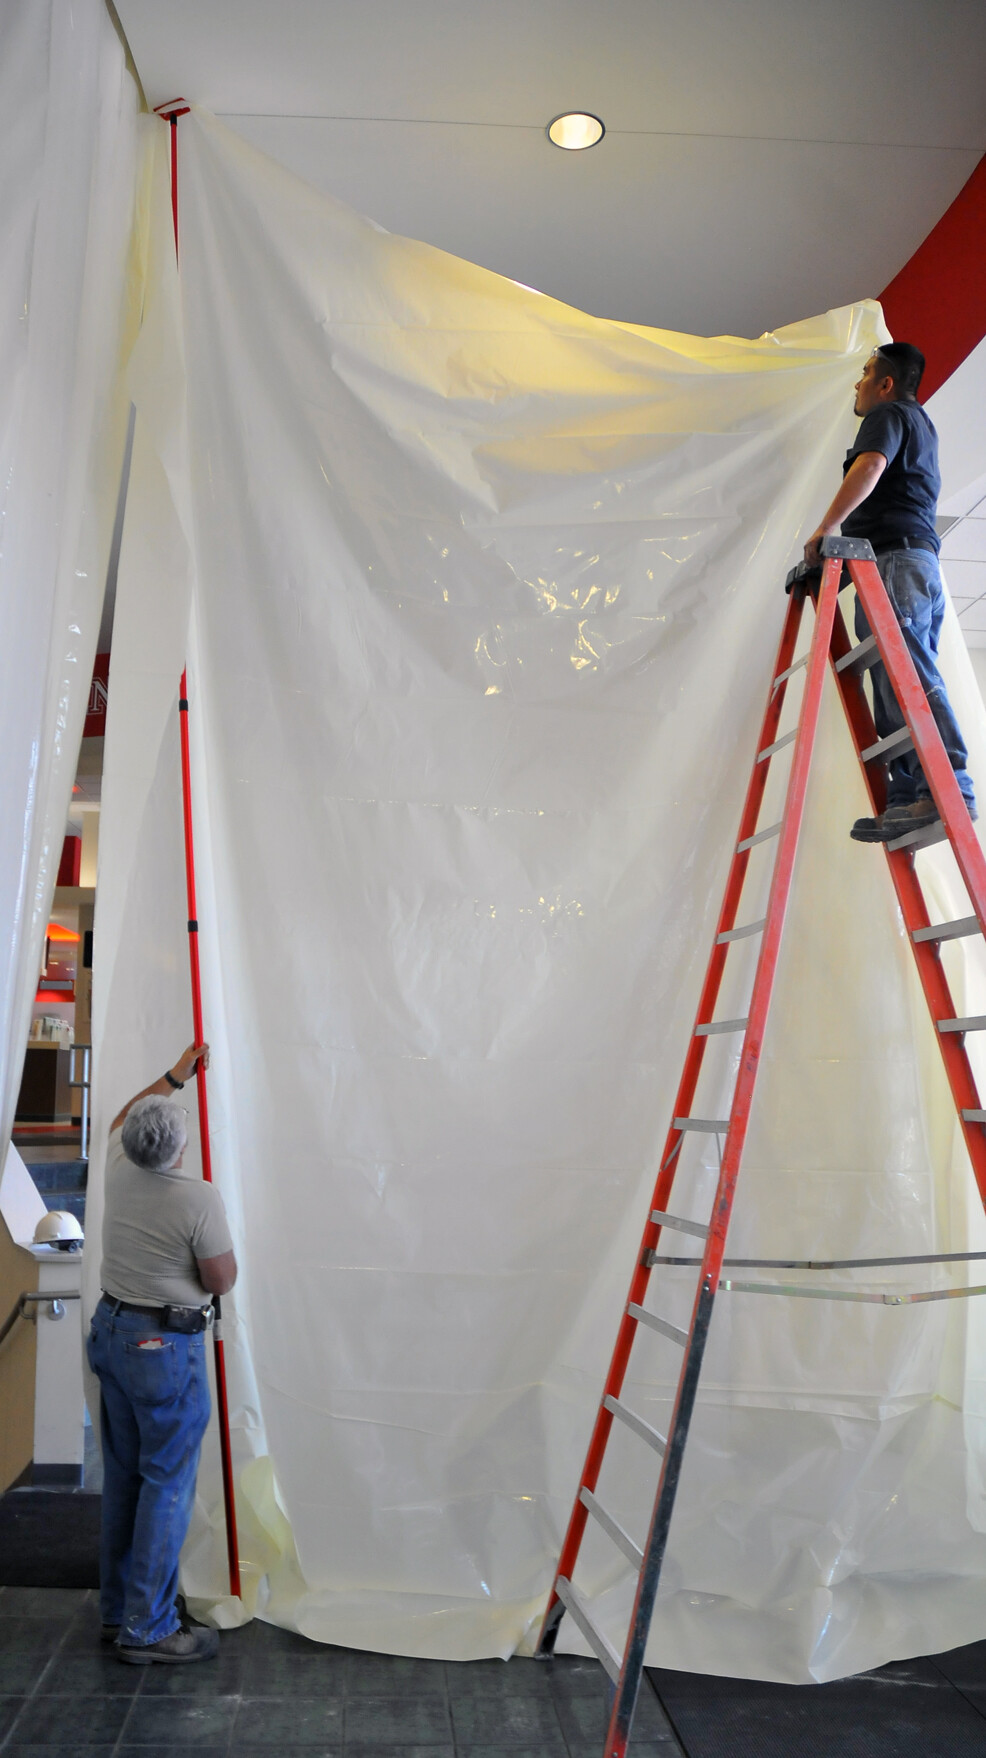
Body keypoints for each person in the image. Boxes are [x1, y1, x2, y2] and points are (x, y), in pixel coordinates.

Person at [86, 1042, 236, 1665]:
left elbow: (124, 1117)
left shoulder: (118, 1166)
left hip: (112, 1333)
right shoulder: (196, 1198)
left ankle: (121, 1610)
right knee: (167, 1484)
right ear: (178, 1149)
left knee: (125, 1477)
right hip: (161, 1348)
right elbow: (221, 1280)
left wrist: (177, 1076)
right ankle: (148, 1629)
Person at [804, 341, 976, 843]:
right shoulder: (918, 424)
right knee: (891, 678)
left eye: (864, 374)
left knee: (906, 675)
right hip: (900, 563)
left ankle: (949, 788)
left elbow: (871, 466)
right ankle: (908, 796)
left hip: (898, 561)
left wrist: (828, 527)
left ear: (885, 382)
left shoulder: (888, 414)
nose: (856, 384)